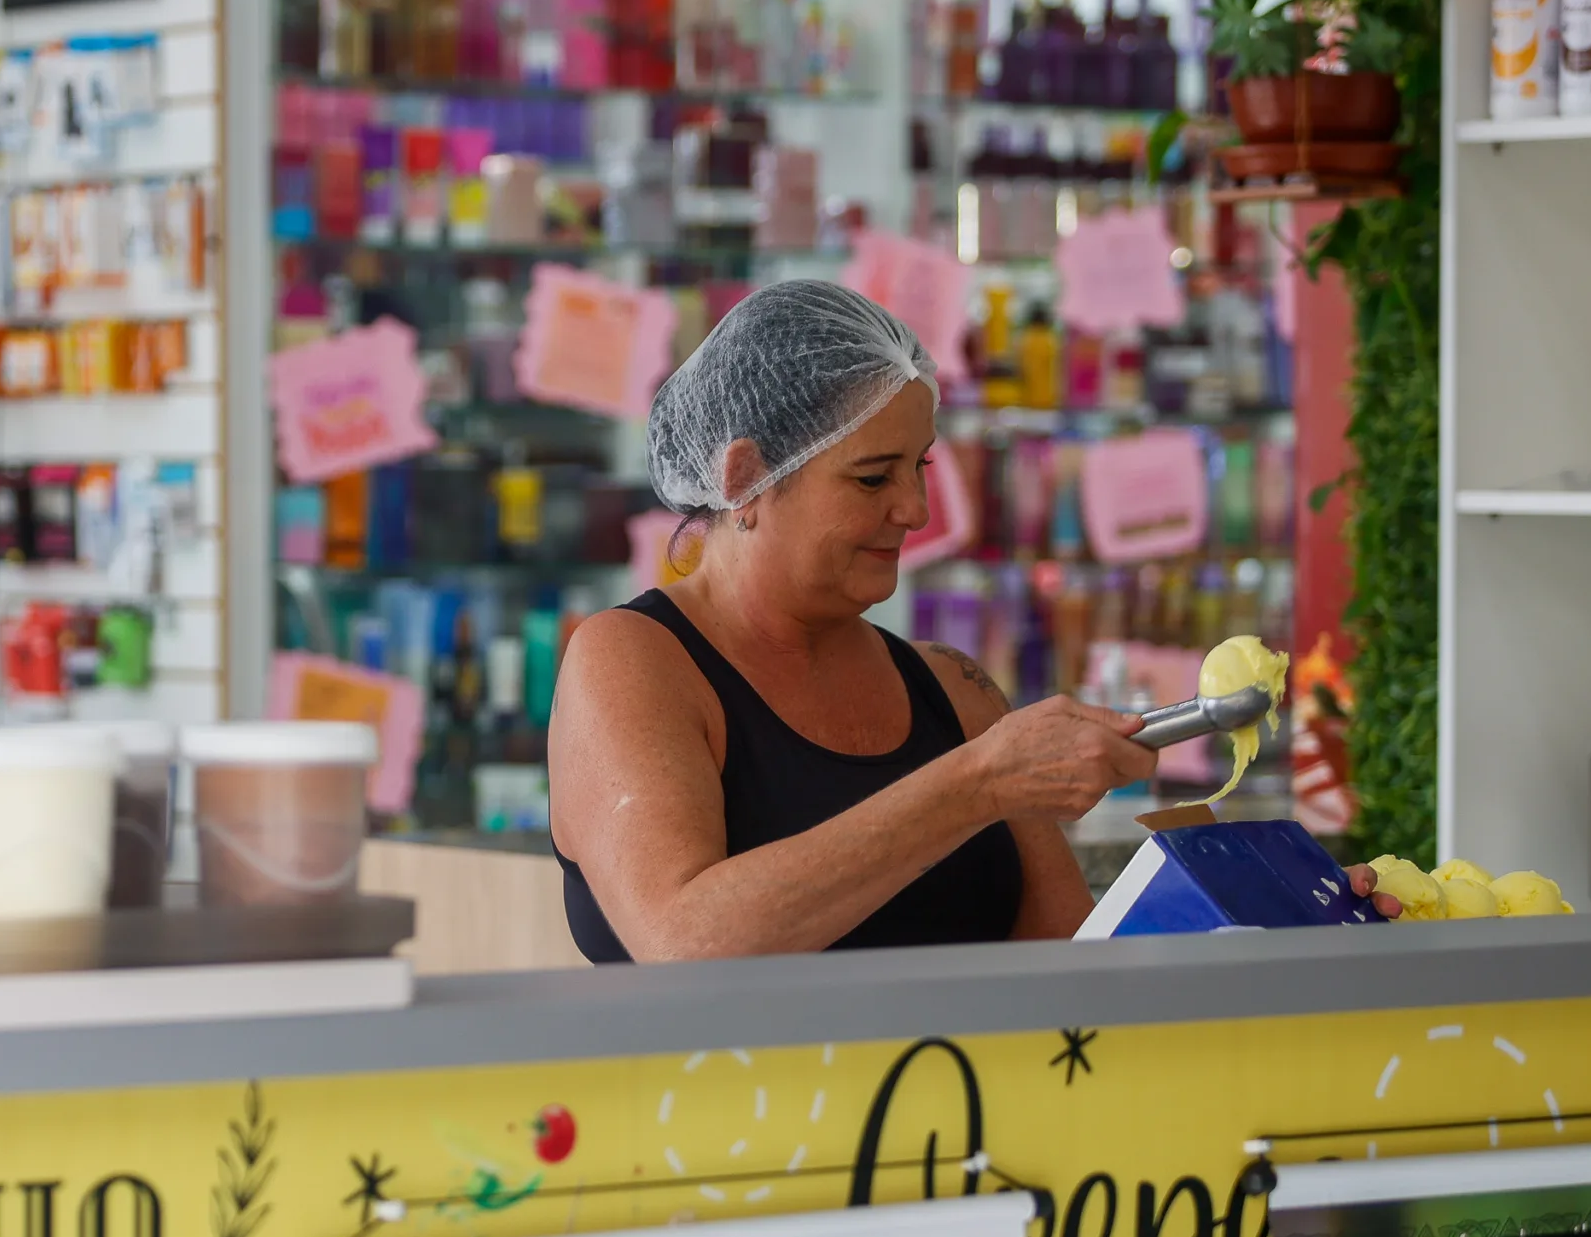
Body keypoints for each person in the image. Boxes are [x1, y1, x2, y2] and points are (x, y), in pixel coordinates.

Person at [547, 281, 1391, 962]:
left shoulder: (950, 688)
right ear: (745, 479)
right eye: (873, 478)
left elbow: (1069, 968)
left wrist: (1274, 926)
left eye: (919, 467)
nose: (914, 510)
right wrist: (976, 782)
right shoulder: (631, 662)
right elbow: (686, 939)